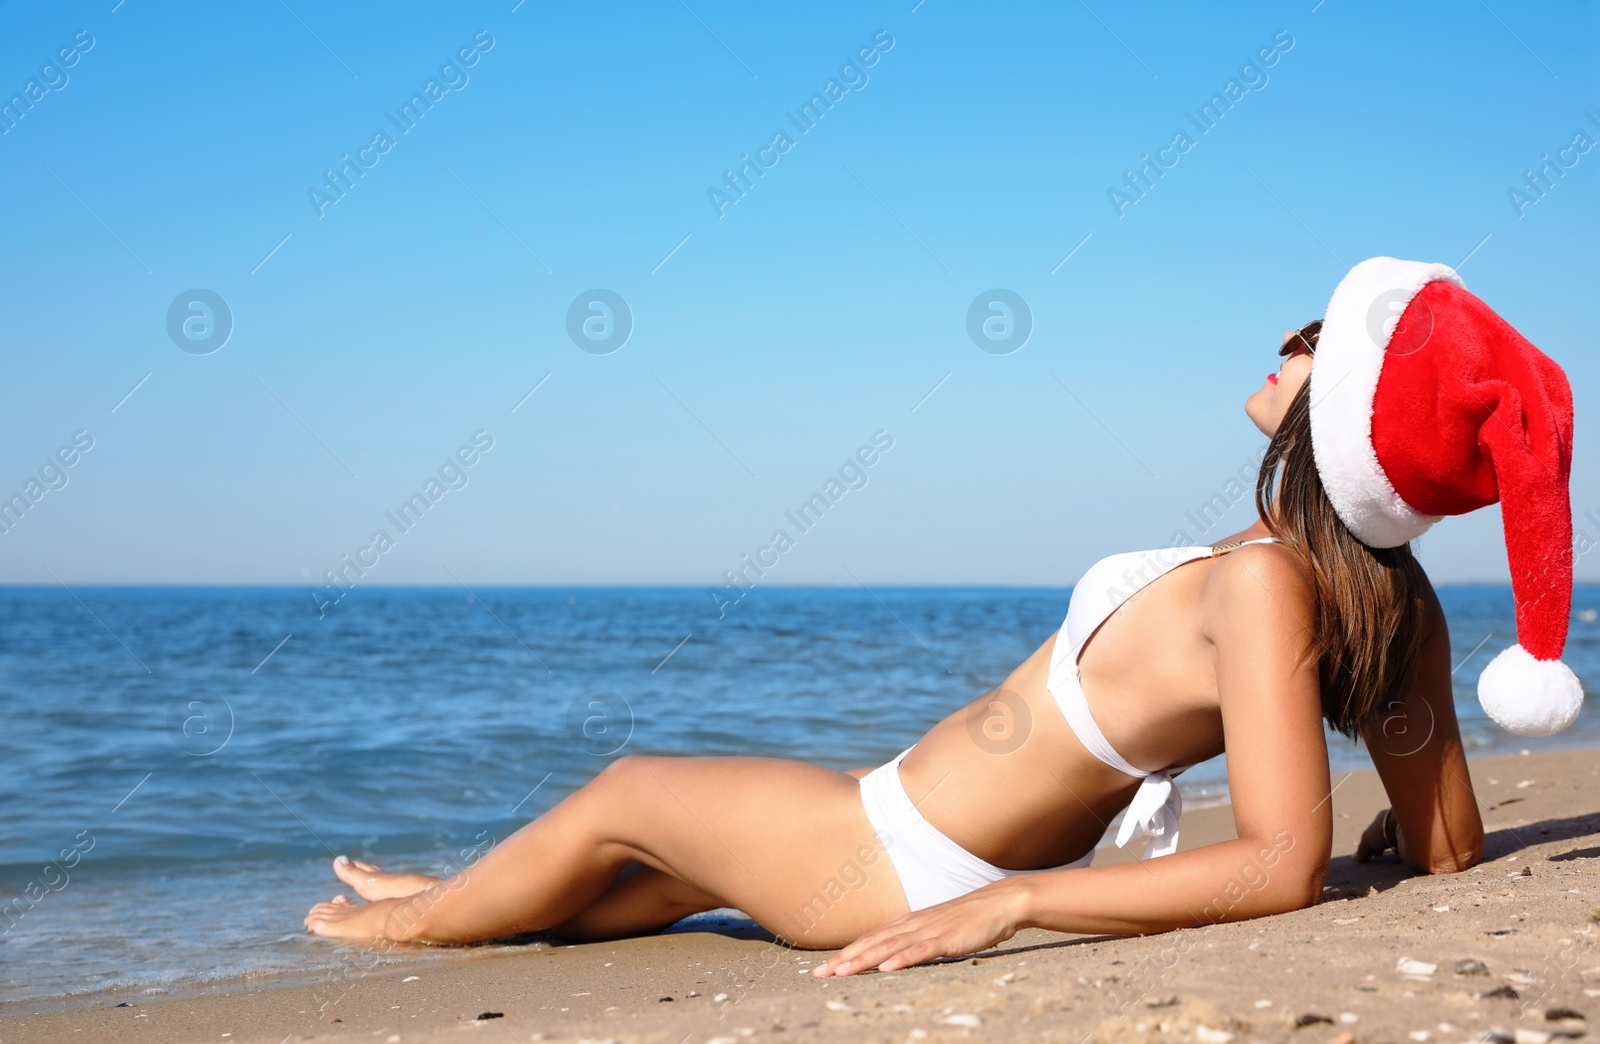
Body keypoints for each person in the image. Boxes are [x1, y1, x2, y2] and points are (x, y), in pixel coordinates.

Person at [304, 257, 1581, 978]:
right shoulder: (1379, 603)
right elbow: (1454, 850)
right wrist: (1385, 848)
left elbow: (1274, 867)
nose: (1280, 345)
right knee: (643, 879)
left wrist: (1016, 905)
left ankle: (410, 922)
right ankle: (471, 896)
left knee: (630, 792)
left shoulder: (1263, 585)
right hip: (901, 842)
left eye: (1309, 339)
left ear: (1344, 412)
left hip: (895, 853)